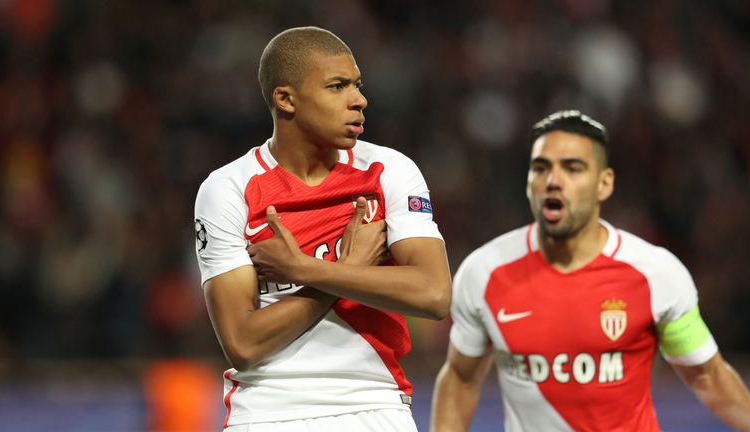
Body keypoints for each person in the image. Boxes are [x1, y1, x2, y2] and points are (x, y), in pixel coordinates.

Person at [193, 26, 452, 432]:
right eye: (337, 86)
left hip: (374, 404)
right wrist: (349, 272)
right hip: (267, 411)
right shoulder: (228, 189)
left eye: (358, 85)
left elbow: (435, 295)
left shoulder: (389, 172)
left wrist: (305, 270)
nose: (359, 99)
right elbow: (242, 344)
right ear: (286, 99)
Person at [430, 110, 750, 431]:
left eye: (573, 168)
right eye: (541, 168)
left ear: (604, 184)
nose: (553, 181)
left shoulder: (655, 273)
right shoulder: (483, 272)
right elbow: (461, 377)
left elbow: (708, 376)